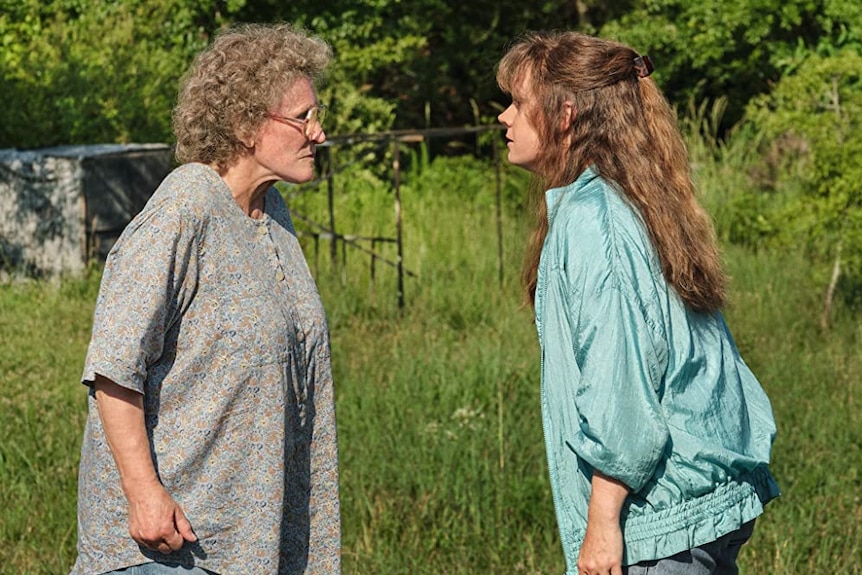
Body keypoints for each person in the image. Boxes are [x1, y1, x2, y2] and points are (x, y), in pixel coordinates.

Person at [496, 31, 780, 575]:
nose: (505, 118)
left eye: (519, 103)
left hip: (653, 524)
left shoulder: (595, 220)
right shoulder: (636, 199)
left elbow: (620, 385)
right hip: (698, 509)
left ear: (566, 115)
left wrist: (602, 521)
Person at [71, 23, 340, 575]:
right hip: (173, 549)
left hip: (251, 544)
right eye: (303, 117)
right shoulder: (186, 206)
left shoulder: (274, 216)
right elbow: (114, 365)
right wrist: (144, 495)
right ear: (245, 124)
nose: (319, 133)